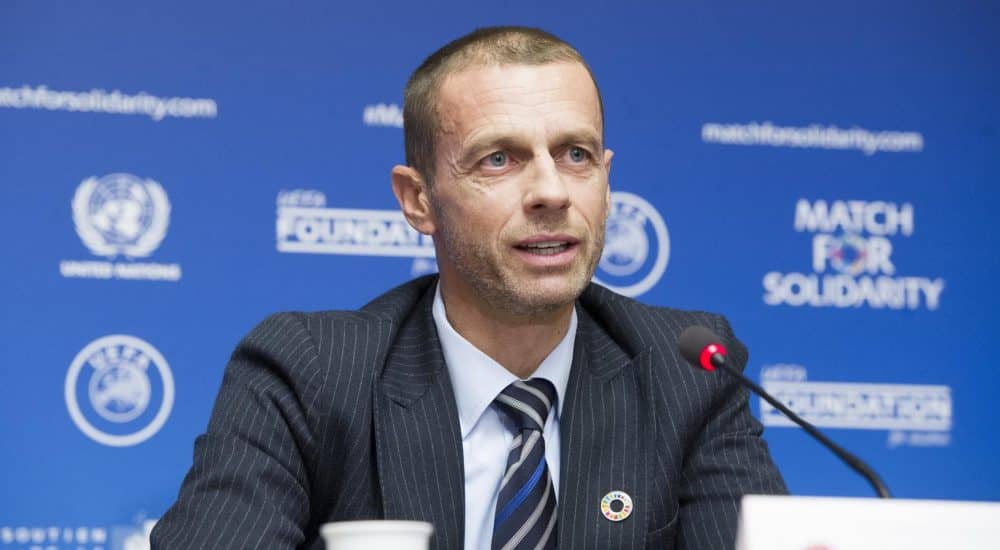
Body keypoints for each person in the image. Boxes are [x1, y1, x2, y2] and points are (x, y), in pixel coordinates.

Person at [150, 26, 786, 550]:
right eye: (498, 159)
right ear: (418, 199)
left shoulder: (685, 372)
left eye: (576, 155)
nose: (552, 192)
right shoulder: (310, 373)